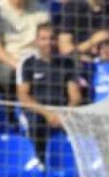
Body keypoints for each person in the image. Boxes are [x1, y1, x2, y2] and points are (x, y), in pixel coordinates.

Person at [15, 22, 82, 156]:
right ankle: (37, 161)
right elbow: (23, 96)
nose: (48, 43)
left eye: (51, 39)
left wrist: (63, 115)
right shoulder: (28, 63)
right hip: (36, 112)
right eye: (44, 39)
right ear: (36, 41)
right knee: (35, 124)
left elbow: (75, 97)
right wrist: (47, 114)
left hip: (63, 112)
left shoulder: (68, 64)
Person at [0, 0, 51, 90]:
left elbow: (46, 43)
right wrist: (21, 66)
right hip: (10, 60)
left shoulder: (42, 11)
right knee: (6, 74)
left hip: (36, 59)